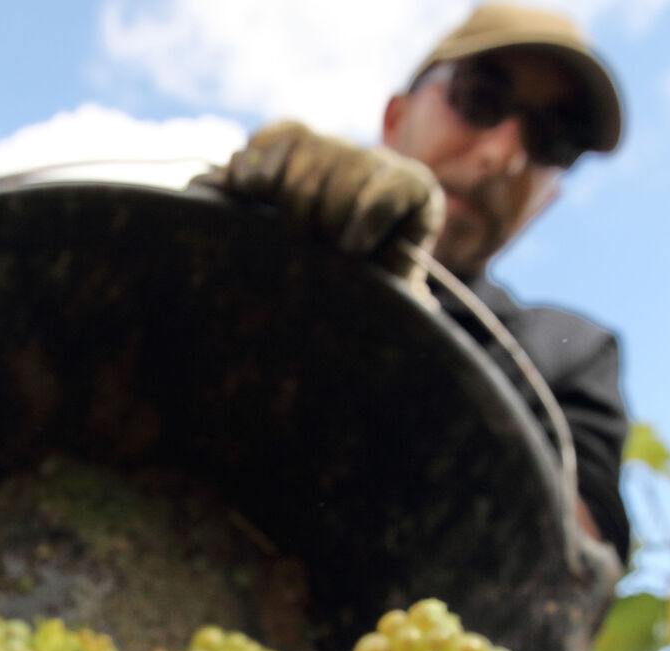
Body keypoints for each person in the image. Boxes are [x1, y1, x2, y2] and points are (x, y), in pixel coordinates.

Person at [200, 2, 630, 565]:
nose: (502, 155)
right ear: (396, 116)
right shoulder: (274, 231)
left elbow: (570, 569)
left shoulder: (565, 353)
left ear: (550, 199)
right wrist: (220, 226)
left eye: (554, 141)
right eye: (479, 99)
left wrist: (406, 332)